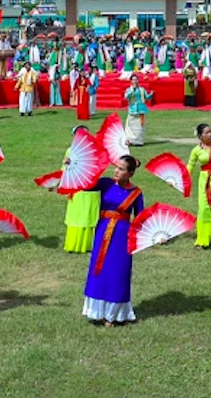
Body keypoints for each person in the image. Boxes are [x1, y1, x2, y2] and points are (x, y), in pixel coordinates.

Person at [79, 155, 145, 326]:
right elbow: (85, 185)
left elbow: (140, 219)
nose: (116, 171)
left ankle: (113, 315)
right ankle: (97, 312)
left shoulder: (136, 193)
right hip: (103, 231)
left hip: (122, 236)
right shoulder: (106, 183)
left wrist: (155, 236)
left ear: (130, 173)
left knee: (118, 272)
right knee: (99, 269)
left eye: (122, 169)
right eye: (116, 167)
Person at [62, 126, 100, 253]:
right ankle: (74, 244)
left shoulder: (95, 149)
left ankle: (89, 244)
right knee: (76, 216)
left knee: (89, 216)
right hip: (77, 188)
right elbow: (64, 171)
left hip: (91, 187)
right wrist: (66, 164)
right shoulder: (70, 151)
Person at [124, 78, 151, 147]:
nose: (135, 81)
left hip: (140, 110)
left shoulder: (142, 89)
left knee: (139, 126)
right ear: (131, 81)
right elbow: (126, 97)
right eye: (133, 80)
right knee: (130, 126)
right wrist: (132, 90)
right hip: (132, 109)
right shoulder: (128, 90)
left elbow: (147, 97)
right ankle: (129, 140)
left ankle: (138, 141)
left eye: (136, 80)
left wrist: (151, 94)